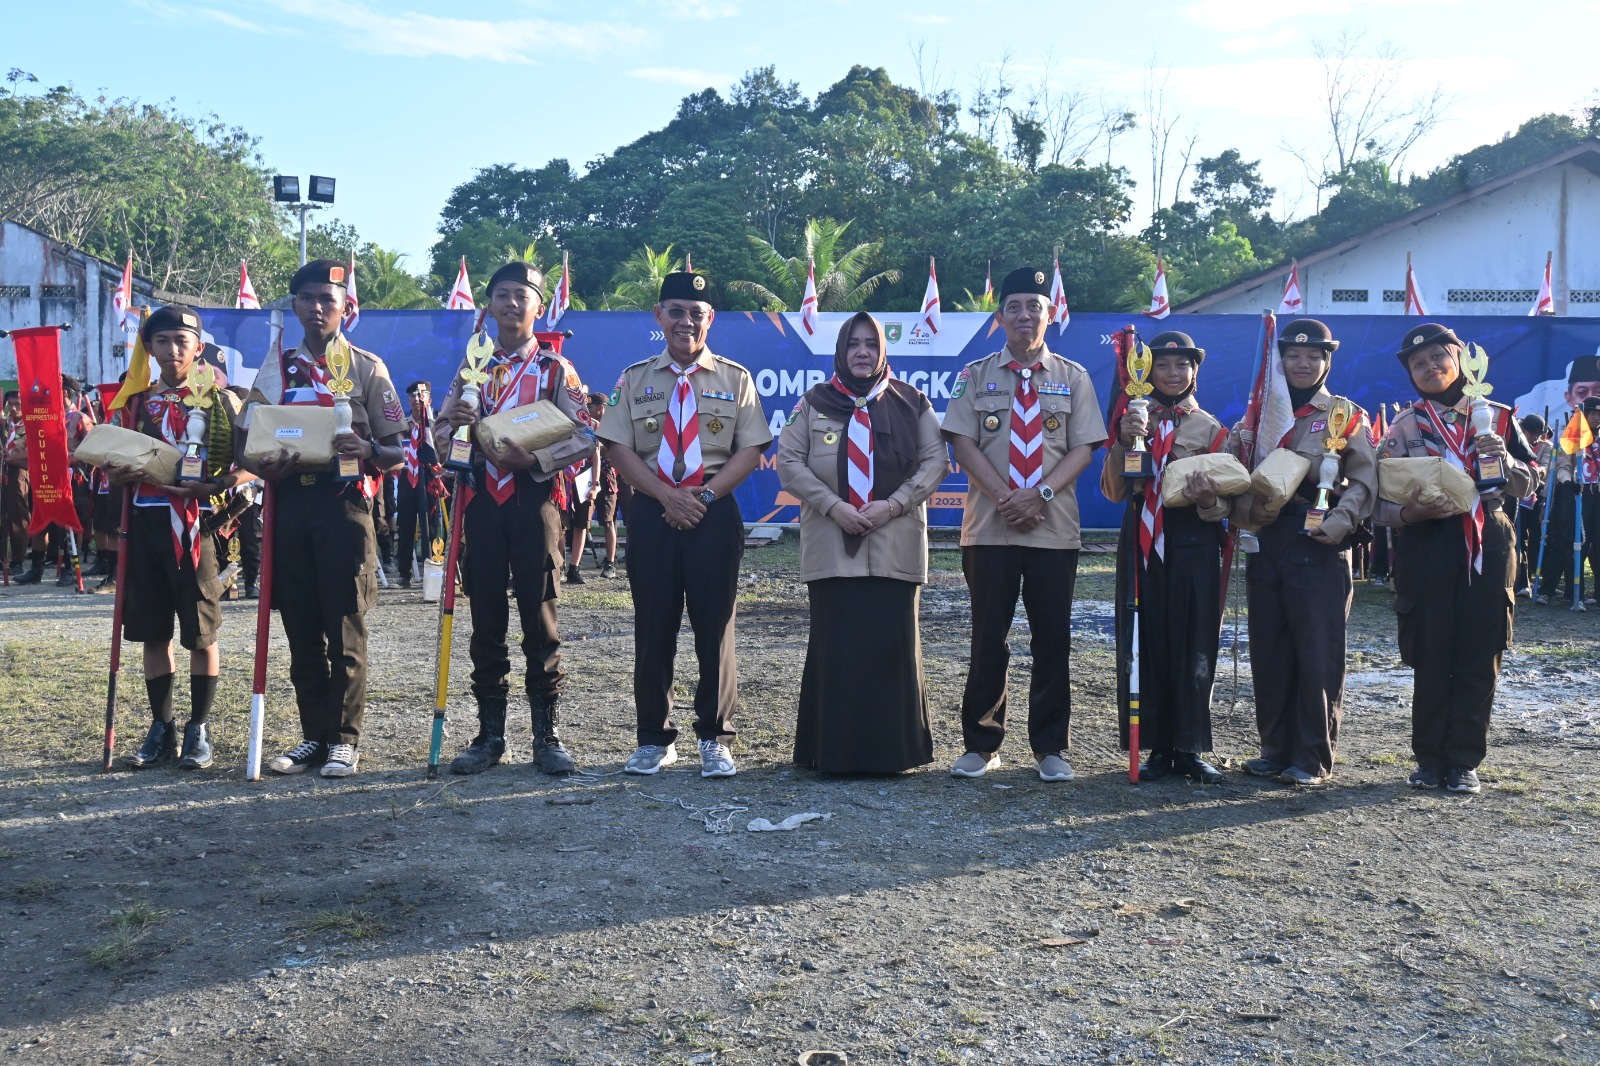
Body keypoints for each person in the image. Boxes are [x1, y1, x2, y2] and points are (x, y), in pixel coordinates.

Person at [597, 270, 773, 778]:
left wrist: (705, 496)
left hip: (714, 509)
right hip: (653, 510)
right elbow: (616, 447)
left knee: (715, 628)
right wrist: (666, 497)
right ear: (659, 317)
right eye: (675, 311)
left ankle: (714, 736)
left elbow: (752, 447)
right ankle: (654, 737)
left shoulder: (735, 379)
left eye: (696, 313)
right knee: (654, 626)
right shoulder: (632, 380)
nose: (685, 321)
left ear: (710, 319)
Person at [242, 259, 409, 778]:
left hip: (344, 506)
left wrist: (366, 446)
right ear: (293, 306)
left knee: (344, 627)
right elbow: (247, 446)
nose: (317, 308)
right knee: (300, 628)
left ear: (344, 307)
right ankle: (313, 736)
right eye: (307, 299)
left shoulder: (366, 367)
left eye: (328, 300)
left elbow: (397, 450)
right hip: (290, 504)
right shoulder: (275, 369)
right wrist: (261, 463)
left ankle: (344, 739)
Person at [941, 267, 1106, 782]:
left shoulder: (1074, 377)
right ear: (1000, 317)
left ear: (1049, 314)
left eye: (1034, 305)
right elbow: (961, 441)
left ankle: (1051, 747)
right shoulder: (975, 374)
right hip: (990, 527)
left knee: (1052, 637)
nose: (1024, 315)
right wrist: (1005, 496)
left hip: (1053, 528)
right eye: (1014, 306)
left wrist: (1041, 494)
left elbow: (1083, 447)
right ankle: (982, 743)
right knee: (988, 636)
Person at [435, 262, 596, 776]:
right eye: (501, 294)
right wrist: (455, 432)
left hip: (535, 502)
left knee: (539, 615)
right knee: (485, 617)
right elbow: (438, 439)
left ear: (538, 306)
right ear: (488, 306)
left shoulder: (554, 370)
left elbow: (585, 435)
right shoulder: (470, 369)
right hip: (481, 500)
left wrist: (537, 460)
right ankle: (489, 736)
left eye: (521, 295)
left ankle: (546, 736)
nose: (511, 304)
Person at [777, 312, 945, 774]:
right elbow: (789, 461)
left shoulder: (913, 402)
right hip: (832, 544)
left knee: (893, 647)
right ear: (841, 350)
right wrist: (834, 506)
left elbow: (935, 461)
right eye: (854, 344)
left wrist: (892, 505)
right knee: (839, 647)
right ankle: (832, 752)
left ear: (883, 350)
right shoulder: (814, 402)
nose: (863, 352)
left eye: (871, 344)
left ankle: (895, 755)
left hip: (896, 541)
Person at [1374, 323, 1535, 794]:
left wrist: (1504, 459)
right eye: (1417, 364)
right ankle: (1428, 760)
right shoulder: (1404, 426)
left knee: (1480, 651)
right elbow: (1380, 501)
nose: (1429, 368)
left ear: (1462, 359)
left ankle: (1464, 760)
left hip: (1491, 538)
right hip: (1428, 541)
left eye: (1437, 358)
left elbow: (1532, 487)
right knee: (1431, 649)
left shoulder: (1499, 417)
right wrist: (1410, 511)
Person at [1231, 318, 1376, 789]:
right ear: (1280, 360)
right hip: (1268, 538)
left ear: (1326, 361)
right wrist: (1239, 509)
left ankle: (1312, 756)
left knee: (1317, 651)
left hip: (1319, 540)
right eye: (1293, 355)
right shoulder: (1257, 414)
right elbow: (1234, 469)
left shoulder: (1342, 413)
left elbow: (1365, 478)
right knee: (1269, 649)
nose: (1302, 363)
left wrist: (1338, 525)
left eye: (1313, 355)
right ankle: (1273, 748)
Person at [109, 306, 249, 769]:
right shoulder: (134, 403)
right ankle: (161, 727)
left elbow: (249, 463)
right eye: (163, 341)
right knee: (152, 631)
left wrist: (215, 486)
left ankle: (198, 728)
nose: (173, 350)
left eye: (182, 340)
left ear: (199, 347)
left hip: (199, 528)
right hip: (146, 525)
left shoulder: (221, 400)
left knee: (200, 632)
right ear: (149, 348)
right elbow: (112, 468)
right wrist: (118, 473)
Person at [1101, 331, 1230, 785]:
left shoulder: (1211, 429)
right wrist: (1124, 441)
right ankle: (1153, 745)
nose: (1173, 375)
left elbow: (1225, 508)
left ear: (1195, 372)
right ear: (1146, 372)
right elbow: (1114, 491)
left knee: (1193, 641)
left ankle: (1191, 746)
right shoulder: (1132, 418)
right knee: (1144, 640)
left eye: (1183, 366)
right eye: (1163, 366)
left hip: (1193, 540)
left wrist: (1208, 500)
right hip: (1140, 535)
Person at [1547, 397, 1600, 609]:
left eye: (1599, 414)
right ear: (1584, 414)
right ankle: (1573, 592)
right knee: (1579, 543)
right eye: (1593, 413)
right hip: (1579, 493)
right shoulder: (1573, 435)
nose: (1596, 418)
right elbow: (1562, 465)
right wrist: (1568, 483)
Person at [396, 381, 443, 589]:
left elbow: (442, 450)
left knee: (432, 526)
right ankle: (404, 573)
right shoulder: (402, 426)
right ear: (408, 400)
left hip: (430, 478)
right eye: (413, 396)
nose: (417, 400)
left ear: (429, 399)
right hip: (407, 479)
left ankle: (432, 568)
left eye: (421, 395)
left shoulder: (435, 424)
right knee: (405, 526)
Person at [583, 392, 622, 578]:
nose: (587, 410)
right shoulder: (585, 425)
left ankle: (611, 563)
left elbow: (612, 451)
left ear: (601, 408)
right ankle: (574, 565)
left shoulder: (611, 427)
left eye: (590, 407)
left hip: (607, 477)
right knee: (581, 523)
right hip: (586, 477)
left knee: (608, 521)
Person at [1514, 413, 1550, 598]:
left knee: (1529, 539)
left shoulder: (1545, 446)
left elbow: (1545, 467)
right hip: (1514, 495)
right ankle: (1515, 580)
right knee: (1516, 539)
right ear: (1523, 430)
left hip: (1534, 498)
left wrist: (1538, 471)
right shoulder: (1514, 441)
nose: (1535, 437)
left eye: (1538, 434)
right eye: (1532, 433)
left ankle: (1525, 581)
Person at [1, 390, 27, 577]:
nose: (14, 408)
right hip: (1, 471)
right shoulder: (3, 424)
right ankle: (2, 559)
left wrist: (11, 457)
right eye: (11, 404)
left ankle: (18, 561)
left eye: (18, 403)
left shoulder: (31, 425)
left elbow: (33, 453)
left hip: (19, 472)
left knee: (18, 517)